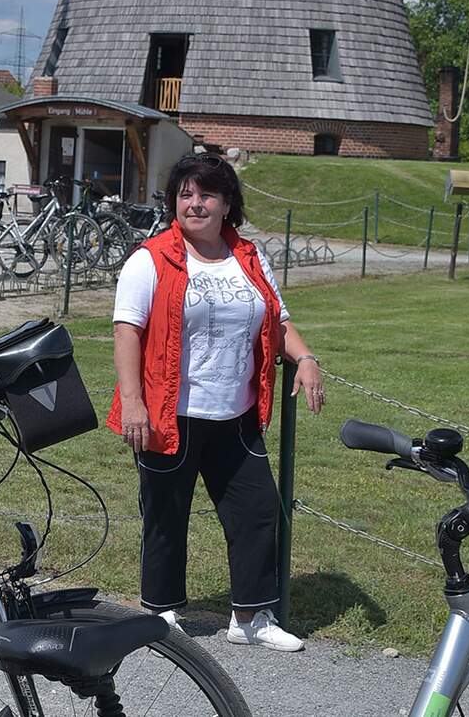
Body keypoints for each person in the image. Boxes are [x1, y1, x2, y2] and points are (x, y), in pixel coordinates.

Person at [106, 152, 324, 653]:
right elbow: (126, 331)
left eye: (207, 194)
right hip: (169, 414)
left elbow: (277, 319)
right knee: (166, 515)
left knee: (257, 510)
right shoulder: (150, 258)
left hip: (236, 414)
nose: (195, 204)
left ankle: (250, 618)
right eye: (185, 194)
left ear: (227, 204)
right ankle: (161, 615)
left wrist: (306, 357)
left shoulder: (248, 257)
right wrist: (133, 402)